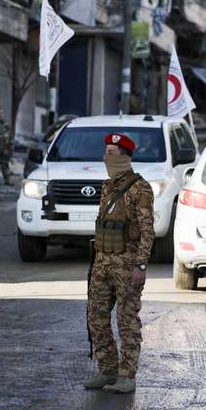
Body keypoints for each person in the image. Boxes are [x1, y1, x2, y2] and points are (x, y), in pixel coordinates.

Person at [85, 133, 154, 394]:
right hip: (102, 262)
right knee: (96, 316)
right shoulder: (107, 187)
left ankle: (127, 375)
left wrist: (141, 265)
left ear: (125, 156)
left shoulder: (140, 188)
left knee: (127, 320)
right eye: (106, 151)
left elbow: (147, 230)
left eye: (112, 152)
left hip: (127, 265)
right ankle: (107, 370)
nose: (107, 156)